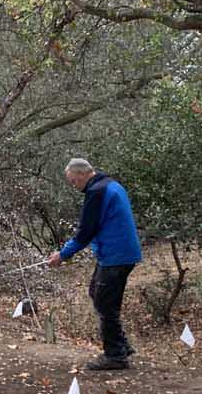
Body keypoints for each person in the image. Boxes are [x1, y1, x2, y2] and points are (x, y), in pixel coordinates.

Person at [48, 158, 143, 371]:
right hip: (119, 254)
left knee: (105, 304)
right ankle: (122, 346)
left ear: (82, 174)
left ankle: (115, 356)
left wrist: (62, 255)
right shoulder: (110, 184)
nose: (74, 186)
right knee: (97, 293)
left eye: (73, 181)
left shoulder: (97, 192)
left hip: (116, 256)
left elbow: (86, 232)